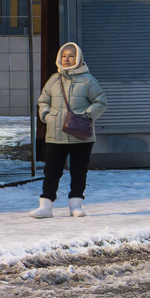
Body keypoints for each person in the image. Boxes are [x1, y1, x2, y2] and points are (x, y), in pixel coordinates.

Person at [31, 42, 107, 218]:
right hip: (55, 134)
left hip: (81, 135)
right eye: (64, 55)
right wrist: (47, 117)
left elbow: (101, 102)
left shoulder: (88, 80)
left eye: (71, 55)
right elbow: (43, 101)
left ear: (78, 58)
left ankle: (75, 205)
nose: (66, 59)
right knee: (51, 171)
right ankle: (46, 206)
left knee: (79, 171)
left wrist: (86, 115)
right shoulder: (54, 79)